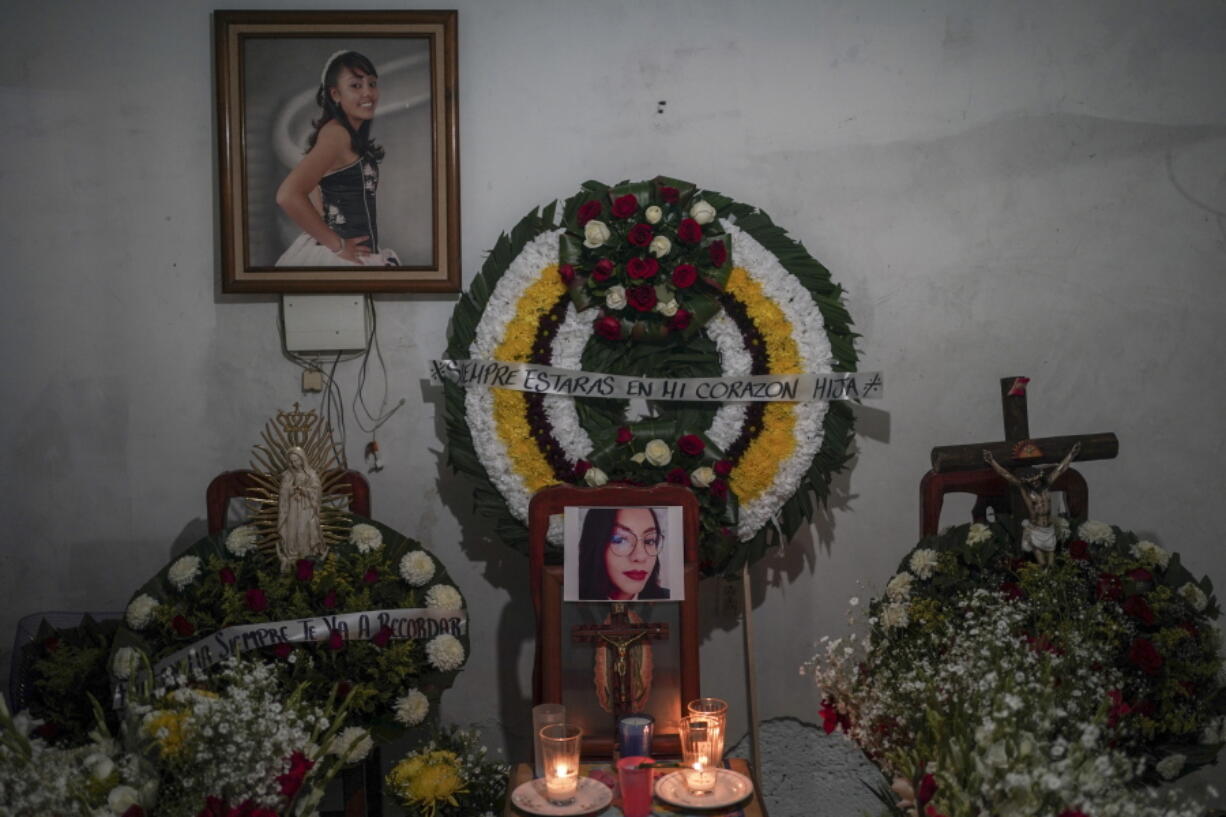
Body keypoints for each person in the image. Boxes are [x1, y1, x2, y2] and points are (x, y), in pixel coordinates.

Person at [274, 50, 400, 267]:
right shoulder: (336, 135)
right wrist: (339, 246)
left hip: (360, 255)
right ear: (335, 94)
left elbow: (317, 196)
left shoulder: (342, 134)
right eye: (356, 85)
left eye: (372, 83)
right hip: (339, 260)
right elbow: (288, 195)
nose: (368, 93)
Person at [984, 442, 1081, 566]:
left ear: (1039, 478)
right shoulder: (1026, 490)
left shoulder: (1046, 486)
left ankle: (1051, 583)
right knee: (1042, 565)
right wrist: (992, 461)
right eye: (1032, 481)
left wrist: (1071, 455)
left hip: (1049, 529)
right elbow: (1006, 475)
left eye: (1036, 480)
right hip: (1036, 529)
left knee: (1052, 565)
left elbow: (1059, 469)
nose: (1035, 483)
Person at [578, 508, 670, 601]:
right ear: (596, 544)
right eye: (620, 540)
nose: (640, 557)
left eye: (649, 541)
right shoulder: (574, 603)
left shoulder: (669, 601)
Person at [277, 446, 324, 569]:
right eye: (291, 461)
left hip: (306, 508)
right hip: (292, 506)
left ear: (302, 459)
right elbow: (283, 492)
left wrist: (303, 490)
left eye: (296, 460)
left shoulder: (311, 474)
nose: (294, 463)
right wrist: (291, 490)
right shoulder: (288, 475)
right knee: (291, 530)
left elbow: (317, 491)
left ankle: (305, 555)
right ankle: (291, 555)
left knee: (303, 530)